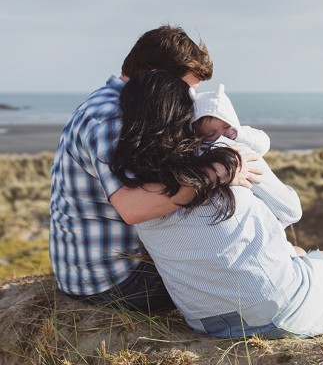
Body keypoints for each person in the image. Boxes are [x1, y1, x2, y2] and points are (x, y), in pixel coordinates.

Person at [110, 70, 323, 347]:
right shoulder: (226, 155)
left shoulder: (131, 181)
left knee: (295, 254)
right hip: (270, 309)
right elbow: (290, 212)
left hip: (203, 320)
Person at [49, 25, 260, 312]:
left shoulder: (114, 105)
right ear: (152, 73)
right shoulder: (112, 117)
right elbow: (133, 207)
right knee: (250, 281)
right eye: (185, 88)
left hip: (94, 272)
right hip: (115, 281)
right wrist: (216, 173)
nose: (189, 99)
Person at [190, 84, 271, 155]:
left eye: (226, 127)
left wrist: (241, 136)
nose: (221, 135)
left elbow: (264, 144)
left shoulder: (242, 134)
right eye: (211, 134)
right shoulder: (199, 150)